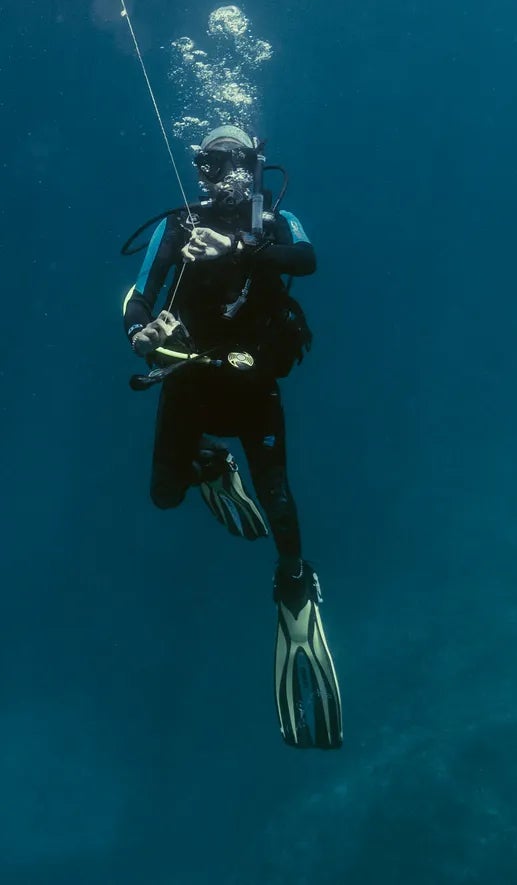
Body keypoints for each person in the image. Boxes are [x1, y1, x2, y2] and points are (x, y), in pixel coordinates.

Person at [121, 124, 342, 750]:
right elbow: (137, 298)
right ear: (199, 169)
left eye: (239, 161)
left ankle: (295, 587)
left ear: (257, 164)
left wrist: (241, 251)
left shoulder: (277, 222)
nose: (228, 175)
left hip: (254, 383)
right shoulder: (176, 228)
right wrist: (139, 333)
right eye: (215, 164)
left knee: (277, 494)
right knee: (164, 495)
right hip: (188, 378)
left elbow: (308, 259)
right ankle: (209, 466)